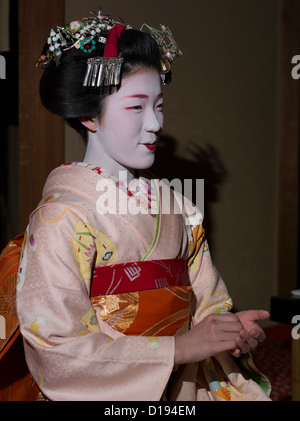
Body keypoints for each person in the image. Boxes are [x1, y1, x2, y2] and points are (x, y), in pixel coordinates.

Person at [16, 10, 271, 401]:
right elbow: (58, 346)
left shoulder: (180, 208)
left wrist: (227, 331)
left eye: (159, 105)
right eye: (136, 107)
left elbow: (207, 304)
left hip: (181, 387)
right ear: (89, 115)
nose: (154, 124)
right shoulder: (61, 217)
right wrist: (178, 347)